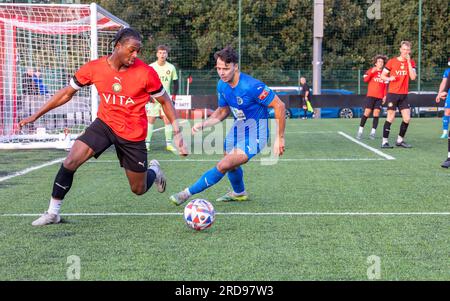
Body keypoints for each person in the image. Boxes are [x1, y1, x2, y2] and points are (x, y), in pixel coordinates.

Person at [18, 28, 187, 226]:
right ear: (118, 46)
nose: (135, 55)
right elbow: (66, 93)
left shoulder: (146, 73)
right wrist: (36, 115)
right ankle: (52, 212)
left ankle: (154, 172)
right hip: (105, 124)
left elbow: (166, 101)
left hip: (133, 132)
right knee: (71, 161)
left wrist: (177, 133)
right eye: (132, 50)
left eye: (138, 51)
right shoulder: (94, 68)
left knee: (138, 189)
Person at [169, 46, 286, 206]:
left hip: (256, 133)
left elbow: (279, 105)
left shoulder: (252, 86)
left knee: (224, 164)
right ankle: (239, 193)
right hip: (237, 130)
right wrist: (204, 124)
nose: (222, 72)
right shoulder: (222, 86)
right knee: (230, 164)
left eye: (226, 68)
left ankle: (186, 193)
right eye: (219, 68)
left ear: (235, 67)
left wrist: (279, 138)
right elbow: (223, 111)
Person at [380, 41, 416, 148]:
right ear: (400, 49)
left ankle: (400, 140)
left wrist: (409, 62)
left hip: (404, 95)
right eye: (404, 49)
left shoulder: (411, 62)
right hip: (393, 94)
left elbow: (413, 77)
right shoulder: (392, 62)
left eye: (408, 50)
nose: (406, 52)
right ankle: (384, 142)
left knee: (407, 118)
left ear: (410, 51)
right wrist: (389, 78)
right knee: (391, 117)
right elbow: (382, 76)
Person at [146, 45, 179, 152]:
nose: (162, 55)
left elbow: (175, 83)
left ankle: (169, 144)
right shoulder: (151, 67)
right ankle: (147, 144)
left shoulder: (171, 67)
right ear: (157, 54)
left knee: (167, 120)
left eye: (164, 53)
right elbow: (145, 82)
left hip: (166, 98)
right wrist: (148, 95)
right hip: (153, 97)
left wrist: (174, 96)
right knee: (151, 120)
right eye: (160, 53)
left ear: (167, 55)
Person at [356, 55, 388, 140]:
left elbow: (385, 86)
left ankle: (373, 133)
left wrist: (385, 96)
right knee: (366, 112)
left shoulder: (385, 73)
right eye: (379, 62)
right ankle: (360, 131)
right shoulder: (370, 70)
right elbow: (365, 80)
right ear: (375, 63)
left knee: (376, 114)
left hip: (379, 98)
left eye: (382, 62)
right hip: (370, 96)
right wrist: (372, 72)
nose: (381, 63)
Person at [438, 58, 450, 168]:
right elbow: (446, 83)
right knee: (447, 111)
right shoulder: (448, 71)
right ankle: (449, 158)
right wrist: (442, 92)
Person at [436, 57, 450, 139]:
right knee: (447, 111)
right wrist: (439, 94)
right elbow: (444, 83)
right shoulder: (447, 71)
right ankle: (445, 132)